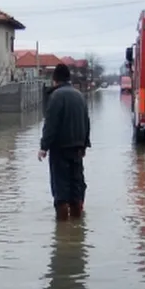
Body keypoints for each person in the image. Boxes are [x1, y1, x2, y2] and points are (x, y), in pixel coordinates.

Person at [38, 63, 91, 220]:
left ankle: (62, 228)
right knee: (77, 185)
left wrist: (44, 147)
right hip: (78, 149)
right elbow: (86, 122)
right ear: (69, 78)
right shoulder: (79, 95)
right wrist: (85, 144)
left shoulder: (56, 97)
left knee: (61, 188)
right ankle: (77, 224)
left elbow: (51, 124)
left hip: (60, 148)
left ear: (55, 80)